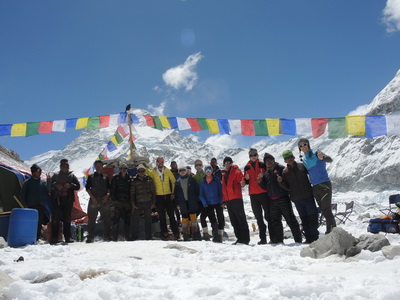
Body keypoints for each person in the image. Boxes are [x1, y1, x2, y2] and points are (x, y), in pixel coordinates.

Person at [257, 153, 302, 244]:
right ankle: (279, 240)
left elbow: (287, 184)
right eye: (266, 161)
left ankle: (298, 239)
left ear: (274, 160)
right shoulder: (267, 173)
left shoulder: (281, 168)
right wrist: (260, 182)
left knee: (290, 219)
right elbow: (266, 187)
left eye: (270, 160)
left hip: (283, 198)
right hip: (272, 201)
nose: (268, 162)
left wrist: (281, 182)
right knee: (276, 222)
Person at [278, 150, 319, 243]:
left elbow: (312, 174)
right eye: (287, 158)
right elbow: (287, 187)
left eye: (290, 157)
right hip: (297, 199)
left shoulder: (302, 166)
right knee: (304, 218)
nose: (289, 159)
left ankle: (315, 236)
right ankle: (308, 238)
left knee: (313, 216)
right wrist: (280, 182)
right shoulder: (285, 172)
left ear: (293, 157)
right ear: (284, 161)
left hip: (308, 196)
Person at [298, 138, 337, 234]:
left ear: (308, 144)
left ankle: (331, 231)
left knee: (326, 209)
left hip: (324, 184)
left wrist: (323, 158)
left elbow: (329, 159)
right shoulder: (305, 159)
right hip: (315, 187)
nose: (303, 147)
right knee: (323, 210)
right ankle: (332, 230)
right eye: (301, 146)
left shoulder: (316, 153)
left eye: (305, 144)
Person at [243, 148, 273, 245]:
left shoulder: (262, 164)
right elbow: (246, 181)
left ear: (257, 155)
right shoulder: (246, 167)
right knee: (259, 218)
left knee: (268, 216)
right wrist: (246, 179)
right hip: (253, 195)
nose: (253, 157)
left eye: (255, 155)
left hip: (263, 193)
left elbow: (268, 176)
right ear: (249, 156)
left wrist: (263, 175)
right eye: (251, 155)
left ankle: (273, 237)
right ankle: (263, 239)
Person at [148, 157, 180, 240]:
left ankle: (176, 233)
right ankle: (164, 233)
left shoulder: (167, 170)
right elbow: (149, 182)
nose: (161, 163)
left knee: (171, 215)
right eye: (159, 161)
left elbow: (173, 181)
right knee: (161, 216)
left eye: (162, 161)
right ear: (156, 162)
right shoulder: (153, 172)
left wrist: (172, 192)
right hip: (158, 196)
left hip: (168, 195)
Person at [50, 159, 80, 244]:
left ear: (68, 166)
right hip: (57, 200)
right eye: (62, 165)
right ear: (60, 166)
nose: (64, 167)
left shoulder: (72, 176)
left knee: (67, 219)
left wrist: (70, 185)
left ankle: (67, 237)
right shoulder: (55, 176)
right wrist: (56, 185)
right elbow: (49, 186)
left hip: (68, 200)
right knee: (55, 219)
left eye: (66, 165)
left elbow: (78, 186)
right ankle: (54, 237)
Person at [221, 156, 250, 245]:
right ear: (224, 164)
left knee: (241, 219)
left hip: (236, 198)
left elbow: (241, 181)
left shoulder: (236, 171)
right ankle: (239, 239)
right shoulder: (224, 174)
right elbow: (223, 188)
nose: (227, 164)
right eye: (226, 163)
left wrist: (242, 182)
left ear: (231, 163)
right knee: (234, 220)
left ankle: (245, 239)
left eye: (229, 162)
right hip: (229, 200)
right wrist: (224, 200)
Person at [20, 164, 50, 241]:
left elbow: (49, 191)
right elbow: (23, 195)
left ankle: (36, 238)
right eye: (38, 171)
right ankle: (30, 238)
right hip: (31, 206)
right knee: (31, 223)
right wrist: (25, 205)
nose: (40, 173)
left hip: (41, 206)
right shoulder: (27, 183)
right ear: (33, 172)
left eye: (40, 171)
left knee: (39, 222)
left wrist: (49, 181)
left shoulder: (43, 183)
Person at [85, 160, 112, 243]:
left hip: (104, 200)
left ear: (102, 166)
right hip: (94, 200)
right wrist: (92, 197)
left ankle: (107, 236)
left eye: (100, 165)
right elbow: (87, 188)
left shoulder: (106, 177)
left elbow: (109, 188)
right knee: (91, 219)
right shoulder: (91, 177)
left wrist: (107, 196)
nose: (99, 167)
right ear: (95, 167)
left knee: (107, 218)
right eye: (97, 166)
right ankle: (90, 237)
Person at [130, 164, 156, 240]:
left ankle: (149, 236)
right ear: (137, 172)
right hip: (138, 203)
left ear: (145, 171)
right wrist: (133, 203)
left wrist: (153, 202)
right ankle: (134, 236)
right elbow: (132, 193)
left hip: (148, 203)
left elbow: (153, 191)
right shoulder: (134, 180)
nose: (141, 172)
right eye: (139, 171)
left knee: (148, 220)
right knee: (135, 220)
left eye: (143, 171)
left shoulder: (149, 179)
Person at [175, 166, 201, 241]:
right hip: (182, 202)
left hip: (192, 201)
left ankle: (195, 234)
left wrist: (197, 200)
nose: (182, 172)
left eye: (183, 170)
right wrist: (177, 204)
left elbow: (197, 191)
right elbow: (176, 194)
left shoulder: (191, 180)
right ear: (179, 172)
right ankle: (186, 235)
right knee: (184, 218)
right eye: (180, 171)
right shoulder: (177, 182)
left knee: (193, 218)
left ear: (186, 171)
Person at [200, 165, 224, 243]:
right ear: (205, 172)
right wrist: (205, 203)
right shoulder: (203, 181)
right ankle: (207, 234)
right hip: (208, 203)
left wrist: (221, 201)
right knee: (207, 218)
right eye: (206, 171)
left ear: (212, 171)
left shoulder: (216, 180)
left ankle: (219, 236)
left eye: (209, 170)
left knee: (220, 219)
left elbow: (221, 191)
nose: (208, 172)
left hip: (218, 202)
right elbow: (201, 194)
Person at [110, 163, 132, 241]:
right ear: (120, 169)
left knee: (127, 220)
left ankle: (127, 236)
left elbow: (131, 190)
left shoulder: (129, 179)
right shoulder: (116, 178)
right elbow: (112, 189)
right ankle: (114, 236)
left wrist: (131, 201)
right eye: (122, 168)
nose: (124, 170)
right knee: (116, 219)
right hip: (118, 202)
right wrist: (114, 199)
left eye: (125, 168)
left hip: (127, 202)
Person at [193, 159, 210, 240]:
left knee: (205, 217)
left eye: (199, 165)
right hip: (198, 200)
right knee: (194, 217)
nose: (198, 166)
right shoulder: (194, 177)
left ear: (202, 165)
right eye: (196, 165)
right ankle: (197, 234)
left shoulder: (206, 175)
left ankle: (206, 234)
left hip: (208, 200)